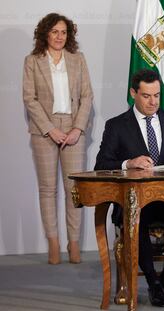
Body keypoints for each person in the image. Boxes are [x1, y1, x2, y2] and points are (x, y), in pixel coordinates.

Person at [94, 69, 164, 307]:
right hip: (134, 202)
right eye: (146, 96)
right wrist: (129, 163)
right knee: (137, 220)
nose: (153, 101)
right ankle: (153, 284)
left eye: (156, 95)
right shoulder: (116, 125)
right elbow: (101, 165)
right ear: (134, 93)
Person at [23, 13, 93, 264]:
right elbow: (29, 99)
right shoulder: (32, 61)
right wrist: (50, 129)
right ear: (45, 34)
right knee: (48, 189)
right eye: (54, 32)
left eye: (63, 32)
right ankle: (53, 242)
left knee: (74, 189)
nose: (59, 37)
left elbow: (87, 97)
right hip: (45, 129)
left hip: (73, 127)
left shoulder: (78, 60)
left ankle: (73, 242)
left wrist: (77, 129)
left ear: (69, 35)